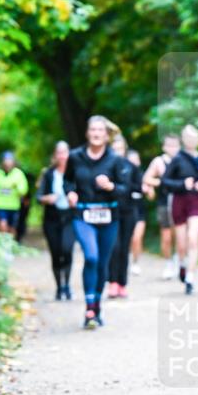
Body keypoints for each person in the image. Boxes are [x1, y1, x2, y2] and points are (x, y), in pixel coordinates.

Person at [65, 116, 127, 329]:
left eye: (100, 130)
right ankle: (89, 307)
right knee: (91, 256)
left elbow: (125, 190)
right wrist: (70, 192)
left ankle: (96, 306)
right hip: (83, 215)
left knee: (102, 263)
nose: (96, 133)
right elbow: (67, 180)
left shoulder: (115, 160)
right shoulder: (75, 157)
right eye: (92, 129)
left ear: (106, 134)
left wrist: (110, 187)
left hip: (109, 217)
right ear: (87, 132)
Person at [162, 124, 198, 295]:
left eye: (194, 137)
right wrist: (182, 184)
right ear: (183, 140)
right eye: (188, 137)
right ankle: (182, 264)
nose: (191, 140)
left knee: (193, 238)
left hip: (196, 202)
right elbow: (165, 182)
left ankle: (190, 277)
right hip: (179, 202)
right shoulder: (177, 159)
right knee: (181, 243)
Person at [36, 141, 75, 301]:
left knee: (67, 250)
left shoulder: (74, 173)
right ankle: (59, 287)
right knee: (56, 252)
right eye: (59, 153)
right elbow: (38, 197)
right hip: (52, 218)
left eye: (65, 152)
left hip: (70, 217)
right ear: (55, 155)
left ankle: (67, 285)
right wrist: (47, 198)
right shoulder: (48, 174)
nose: (62, 156)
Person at [106, 135, 143, 298]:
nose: (117, 152)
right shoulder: (106, 166)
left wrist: (130, 190)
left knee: (124, 248)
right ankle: (112, 282)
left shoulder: (131, 167)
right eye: (114, 149)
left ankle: (122, 283)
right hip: (111, 212)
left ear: (125, 150)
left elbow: (138, 187)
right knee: (114, 247)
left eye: (120, 149)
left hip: (129, 212)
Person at [142, 134, 181, 279]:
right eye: (169, 145)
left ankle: (178, 260)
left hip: (181, 202)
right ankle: (168, 263)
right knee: (166, 237)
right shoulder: (159, 162)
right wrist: (162, 183)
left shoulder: (183, 160)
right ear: (164, 147)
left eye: (175, 145)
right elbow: (147, 178)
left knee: (180, 235)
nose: (172, 148)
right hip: (164, 202)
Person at [0, 151, 29, 235]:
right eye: (6, 160)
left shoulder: (18, 174)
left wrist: (16, 187)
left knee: (12, 229)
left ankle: (10, 245)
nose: (7, 163)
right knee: (2, 225)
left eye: (9, 160)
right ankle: (2, 244)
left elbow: (23, 189)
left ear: (13, 162)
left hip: (13, 206)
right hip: (0, 205)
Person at [126, 149, 147, 276]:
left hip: (139, 209)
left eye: (136, 159)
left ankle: (135, 262)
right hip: (126, 209)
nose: (134, 162)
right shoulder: (122, 174)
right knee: (126, 239)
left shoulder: (142, 176)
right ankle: (125, 261)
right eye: (131, 159)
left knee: (137, 238)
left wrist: (148, 190)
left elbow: (150, 191)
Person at [14, 166, 36, 244]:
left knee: (21, 222)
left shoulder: (24, 179)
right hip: (17, 205)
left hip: (23, 206)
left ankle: (19, 239)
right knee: (19, 222)